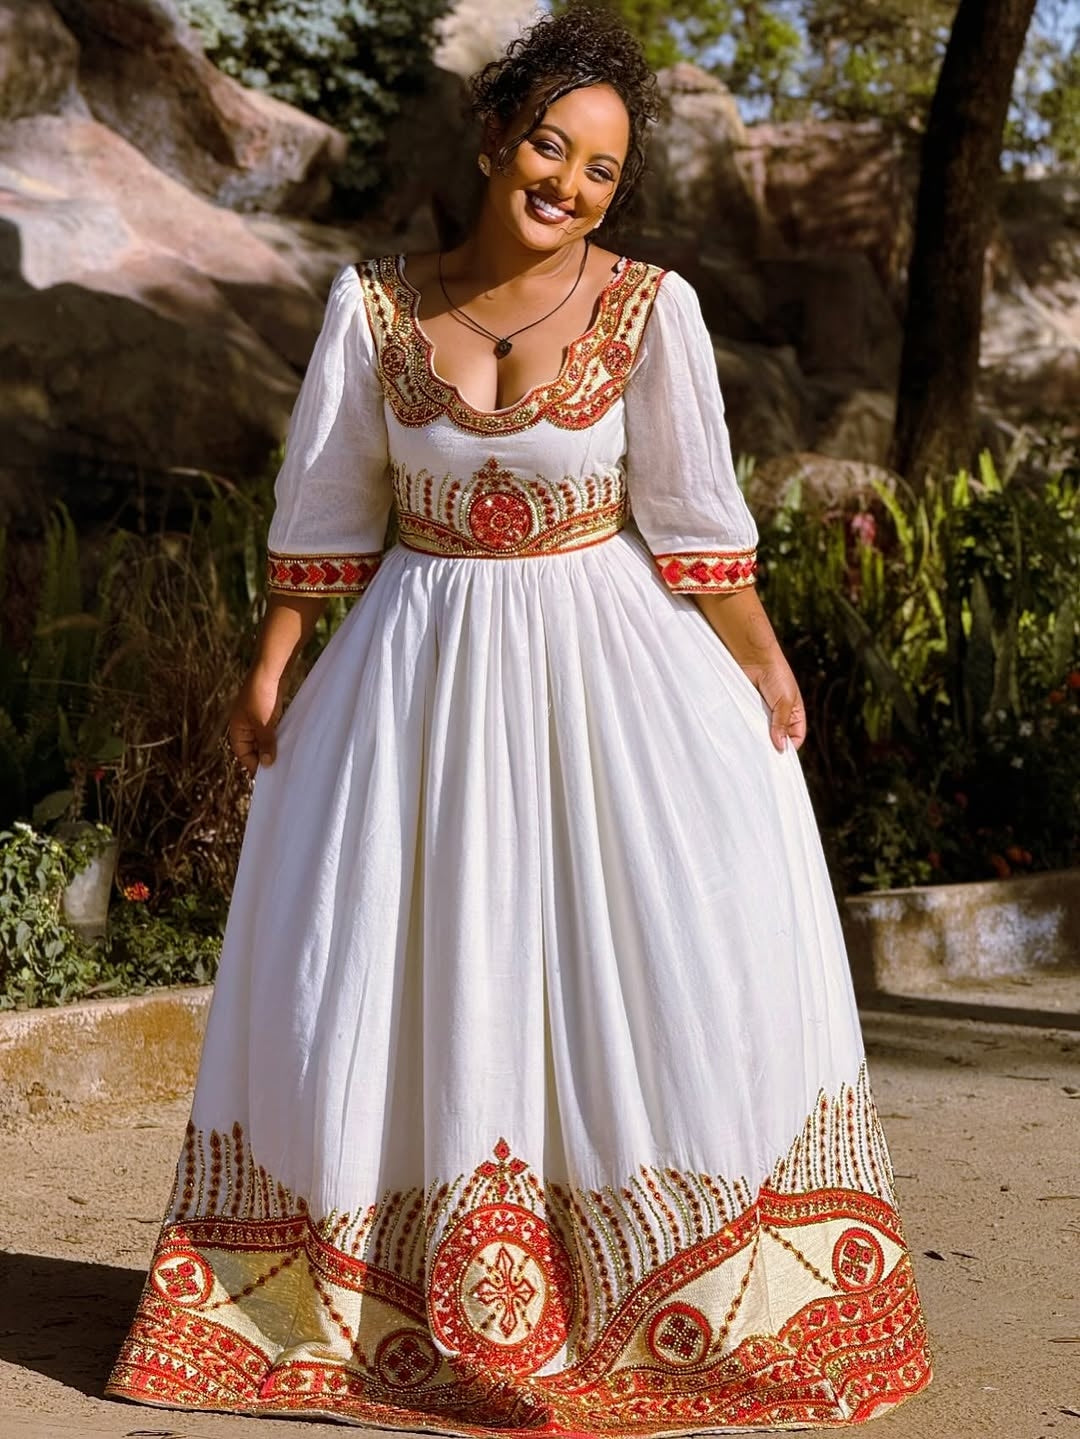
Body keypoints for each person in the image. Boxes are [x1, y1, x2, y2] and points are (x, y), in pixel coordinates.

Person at [107, 8, 932, 1432]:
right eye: (551, 145)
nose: (570, 185)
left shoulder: (651, 308)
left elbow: (692, 520)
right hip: (415, 675)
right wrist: (272, 662)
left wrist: (766, 663)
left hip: (611, 677)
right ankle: (380, 1300)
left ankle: (658, 1293)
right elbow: (326, 512)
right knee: (404, 961)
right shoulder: (372, 306)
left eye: (603, 171)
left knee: (637, 960)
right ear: (496, 139)